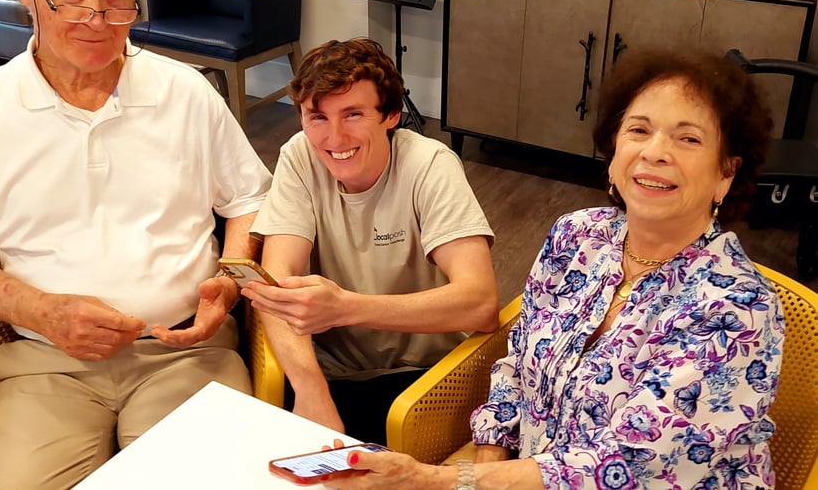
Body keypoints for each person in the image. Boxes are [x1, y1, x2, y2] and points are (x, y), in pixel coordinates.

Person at [319, 49, 785, 489]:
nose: (655, 152)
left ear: (726, 171)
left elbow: (625, 465)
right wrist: (488, 460)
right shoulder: (579, 236)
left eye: (688, 138)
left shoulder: (737, 308)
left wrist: (445, 480)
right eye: (639, 131)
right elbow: (516, 367)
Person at [0, 0, 272, 488]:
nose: (96, 21)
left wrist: (231, 282)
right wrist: (43, 313)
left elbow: (249, 200)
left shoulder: (185, 92)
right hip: (45, 363)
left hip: (184, 349)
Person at [241, 38, 500, 444]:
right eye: (317, 117)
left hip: (422, 380)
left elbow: (480, 304)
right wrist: (312, 392)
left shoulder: (429, 165)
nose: (334, 137)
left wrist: (344, 308)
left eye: (353, 114)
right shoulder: (299, 155)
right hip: (326, 374)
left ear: (391, 115)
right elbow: (278, 285)